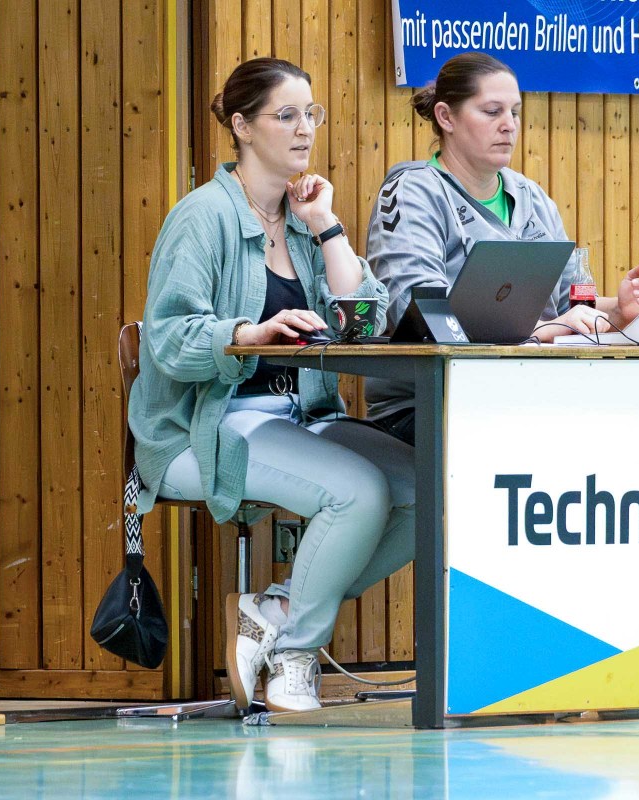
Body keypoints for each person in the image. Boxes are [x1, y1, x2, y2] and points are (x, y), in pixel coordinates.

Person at [127, 57, 415, 713]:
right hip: (203, 425)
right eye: (286, 115)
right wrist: (247, 334)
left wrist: (327, 226)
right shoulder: (202, 217)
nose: (304, 129)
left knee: (428, 491)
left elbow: (365, 322)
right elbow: (168, 337)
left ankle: (277, 611)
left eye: (310, 114)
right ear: (242, 126)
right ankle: (294, 653)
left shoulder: (304, 216)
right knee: (358, 491)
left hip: (300, 416)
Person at [365, 52, 639, 445]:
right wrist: (543, 331)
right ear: (446, 117)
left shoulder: (532, 197)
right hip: (430, 405)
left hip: (527, 393)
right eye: (492, 111)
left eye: (515, 113)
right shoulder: (414, 191)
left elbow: (568, 309)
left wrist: (618, 310)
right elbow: (422, 317)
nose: (509, 125)